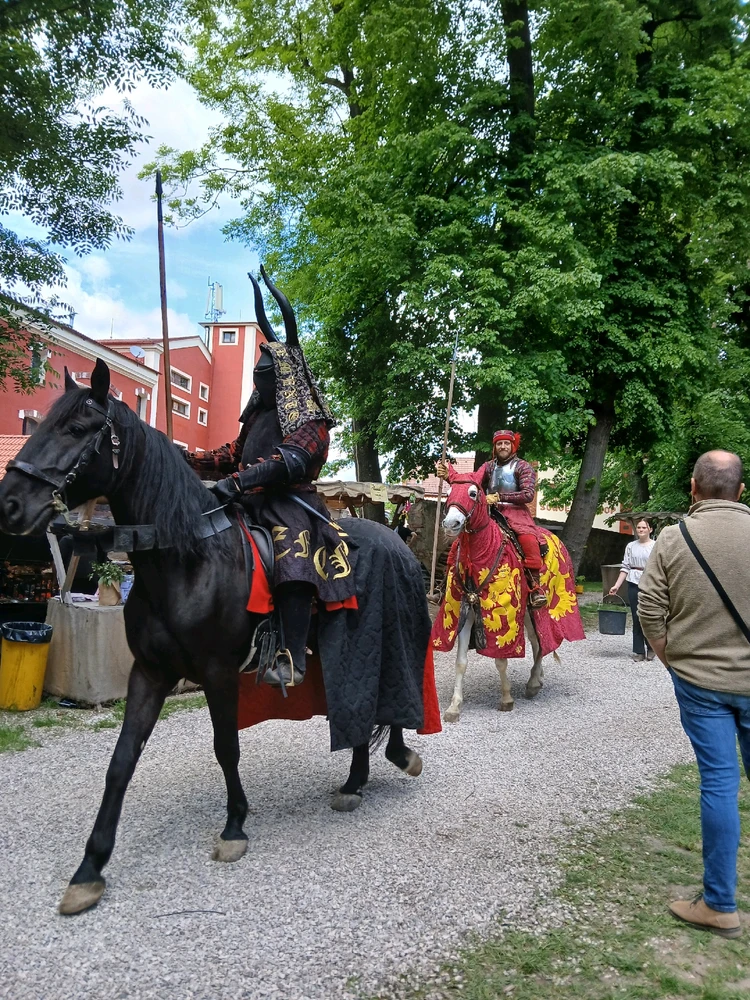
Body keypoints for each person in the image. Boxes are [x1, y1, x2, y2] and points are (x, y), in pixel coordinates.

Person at [639, 450, 750, 939]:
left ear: (693, 488)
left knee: (721, 785)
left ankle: (721, 906)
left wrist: (672, 660)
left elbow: (649, 609)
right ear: (741, 491)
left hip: (701, 685)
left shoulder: (673, 537)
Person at [437, 429, 546, 608]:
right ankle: (444, 587)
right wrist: (450, 477)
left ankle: (535, 588)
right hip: (490, 512)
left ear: (513, 445)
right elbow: (471, 483)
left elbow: (528, 494)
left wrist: (500, 497)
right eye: (499, 443)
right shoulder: (488, 466)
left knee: (528, 540)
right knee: (459, 543)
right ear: (495, 446)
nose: (503, 446)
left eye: (506, 443)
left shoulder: (523, 466)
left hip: (516, 514)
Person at [608, 518, 655, 661]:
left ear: (650, 530)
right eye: (639, 528)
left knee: (648, 616)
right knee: (636, 617)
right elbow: (625, 567)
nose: (641, 530)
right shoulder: (631, 546)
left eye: (644, 528)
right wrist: (616, 585)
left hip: (650, 584)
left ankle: (651, 647)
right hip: (633, 583)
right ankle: (639, 651)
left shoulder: (655, 545)